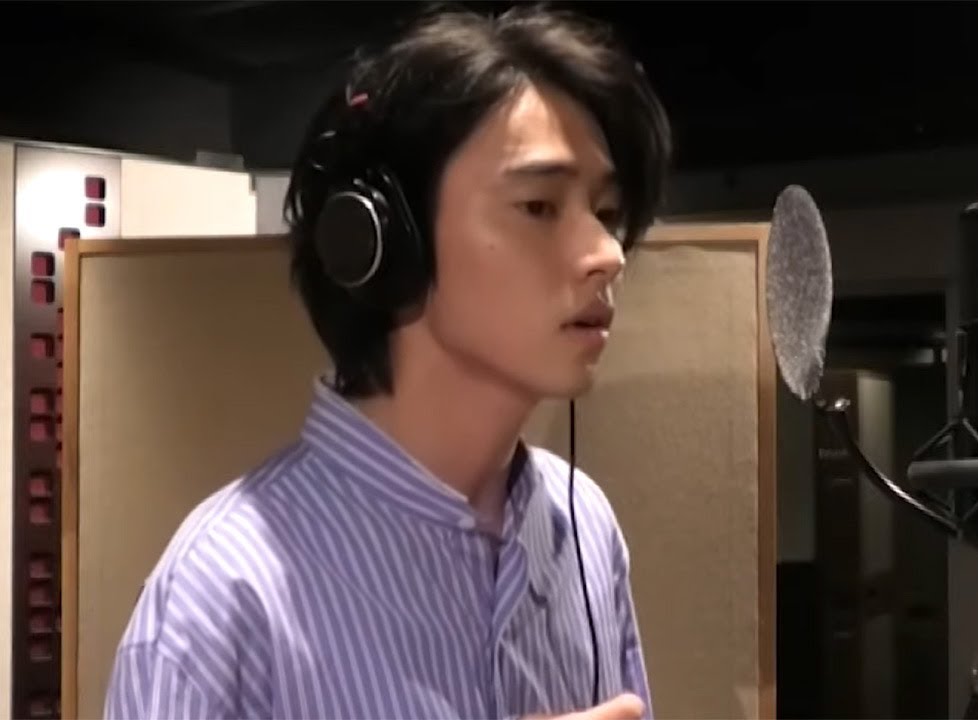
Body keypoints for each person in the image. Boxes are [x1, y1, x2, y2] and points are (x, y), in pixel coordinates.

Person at [103, 4, 672, 719]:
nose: (607, 254)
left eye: (607, 213)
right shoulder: (219, 598)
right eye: (538, 206)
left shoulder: (582, 526)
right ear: (383, 242)